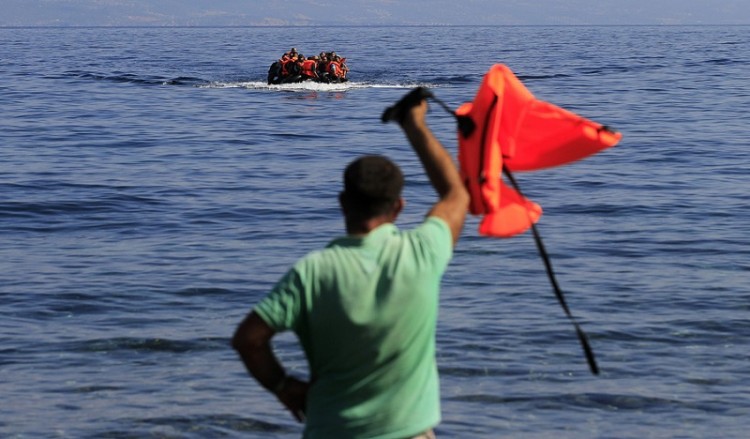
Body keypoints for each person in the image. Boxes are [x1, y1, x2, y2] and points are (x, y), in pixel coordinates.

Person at [232, 95, 469, 438]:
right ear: (399, 207)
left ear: (343, 203)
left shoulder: (311, 273)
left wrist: (284, 386)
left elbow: (248, 340)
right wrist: (414, 124)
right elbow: (456, 195)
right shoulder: (422, 253)